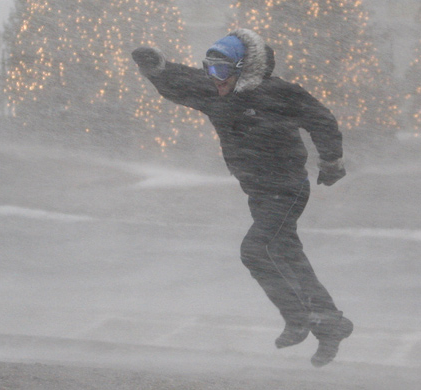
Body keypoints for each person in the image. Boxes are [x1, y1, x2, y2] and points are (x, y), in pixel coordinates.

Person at [132, 29, 353, 367]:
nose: (214, 79)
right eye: (210, 70)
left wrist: (331, 160)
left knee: (256, 249)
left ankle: (300, 317)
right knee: (286, 252)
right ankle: (329, 323)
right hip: (258, 190)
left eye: (221, 71)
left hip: (288, 187)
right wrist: (158, 69)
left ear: (243, 68)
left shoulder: (277, 93)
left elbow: (320, 118)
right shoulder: (217, 94)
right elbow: (183, 82)